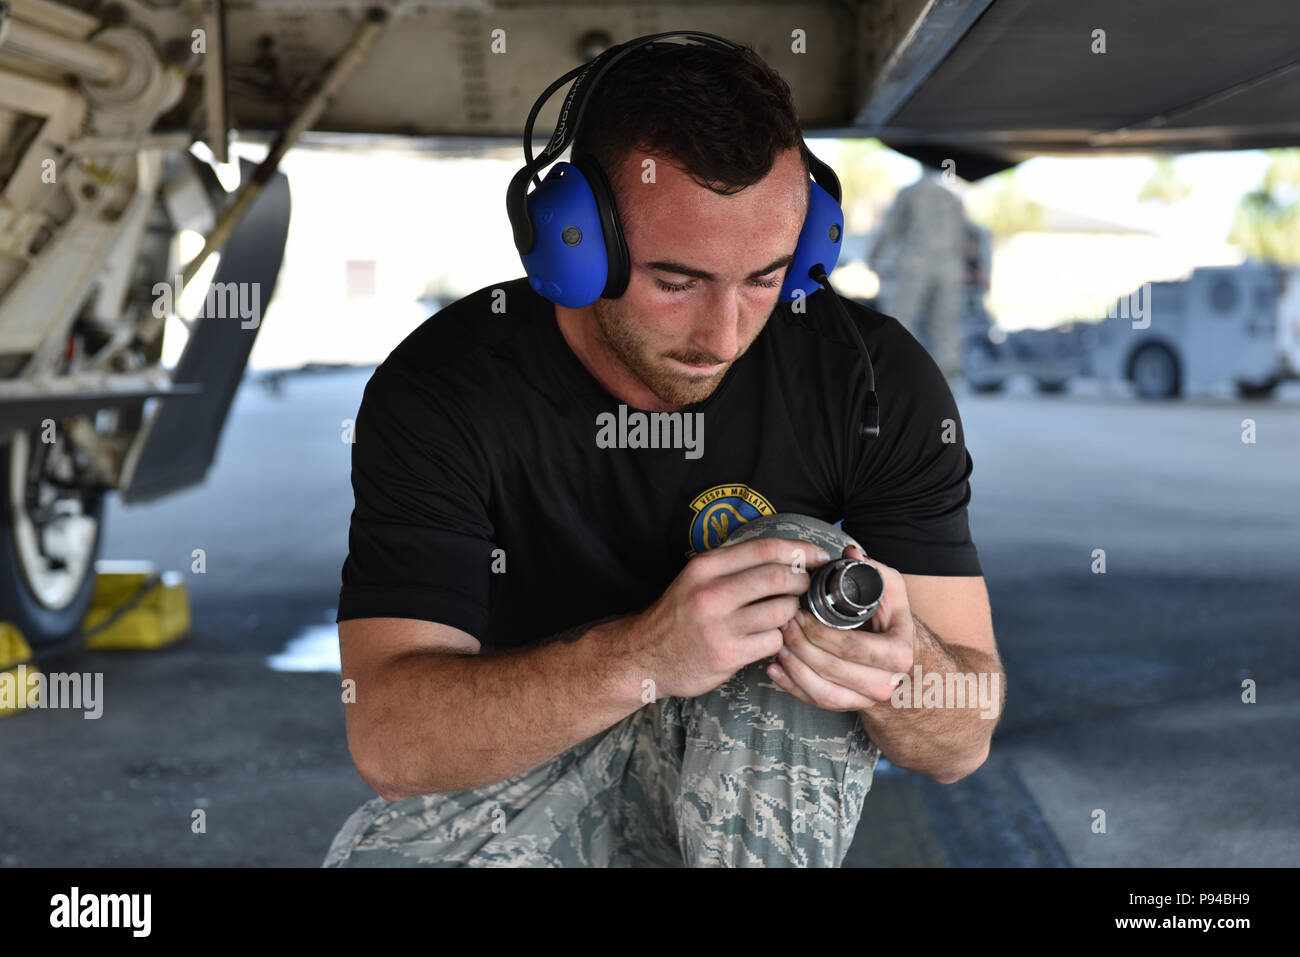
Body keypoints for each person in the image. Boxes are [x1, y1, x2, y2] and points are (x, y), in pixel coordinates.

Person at [324, 37, 1003, 868]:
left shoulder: (869, 379)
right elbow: (390, 739)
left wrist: (901, 671)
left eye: (764, 278)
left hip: (741, 799)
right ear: (576, 243)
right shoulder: (448, 387)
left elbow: (964, 735)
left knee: (806, 570)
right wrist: (648, 655)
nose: (723, 336)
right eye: (677, 282)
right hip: (532, 776)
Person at [870, 169, 970, 383]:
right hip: (947, 267)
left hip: (914, 263)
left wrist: (873, 256)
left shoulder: (910, 193)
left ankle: (899, 379)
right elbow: (962, 236)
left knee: (902, 322)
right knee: (945, 328)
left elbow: (891, 227)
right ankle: (946, 386)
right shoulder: (951, 196)